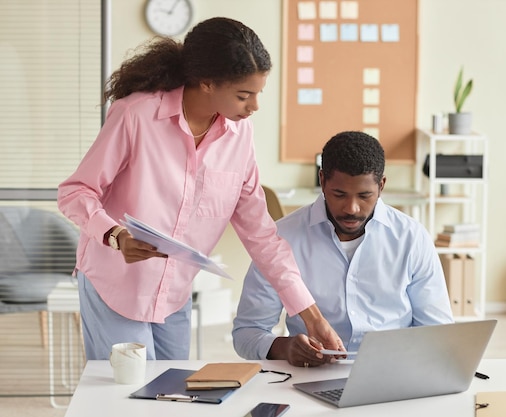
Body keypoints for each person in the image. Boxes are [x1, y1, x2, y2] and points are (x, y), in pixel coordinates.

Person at [57, 17, 343, 361]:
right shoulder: (135, 115)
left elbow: (262, 236)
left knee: (173, 397)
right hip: (115, 283)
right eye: (244, 95)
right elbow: (75, 191)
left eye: (257, 94)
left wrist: (312, 317)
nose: (254, 107)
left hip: (174, 292)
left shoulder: (240, 137)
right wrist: (116, 236)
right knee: (127, 400)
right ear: (207, 83)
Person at [232, 131, 454, 367]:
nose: (352, 208)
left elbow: (437, 332)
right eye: (339, 194)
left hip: (393, 371)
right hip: (312, 375)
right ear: (323, 181)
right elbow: (246, 333)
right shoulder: (281, 239)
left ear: (381, 186)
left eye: (365, 195)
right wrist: (285, 348)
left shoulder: (411, 238)